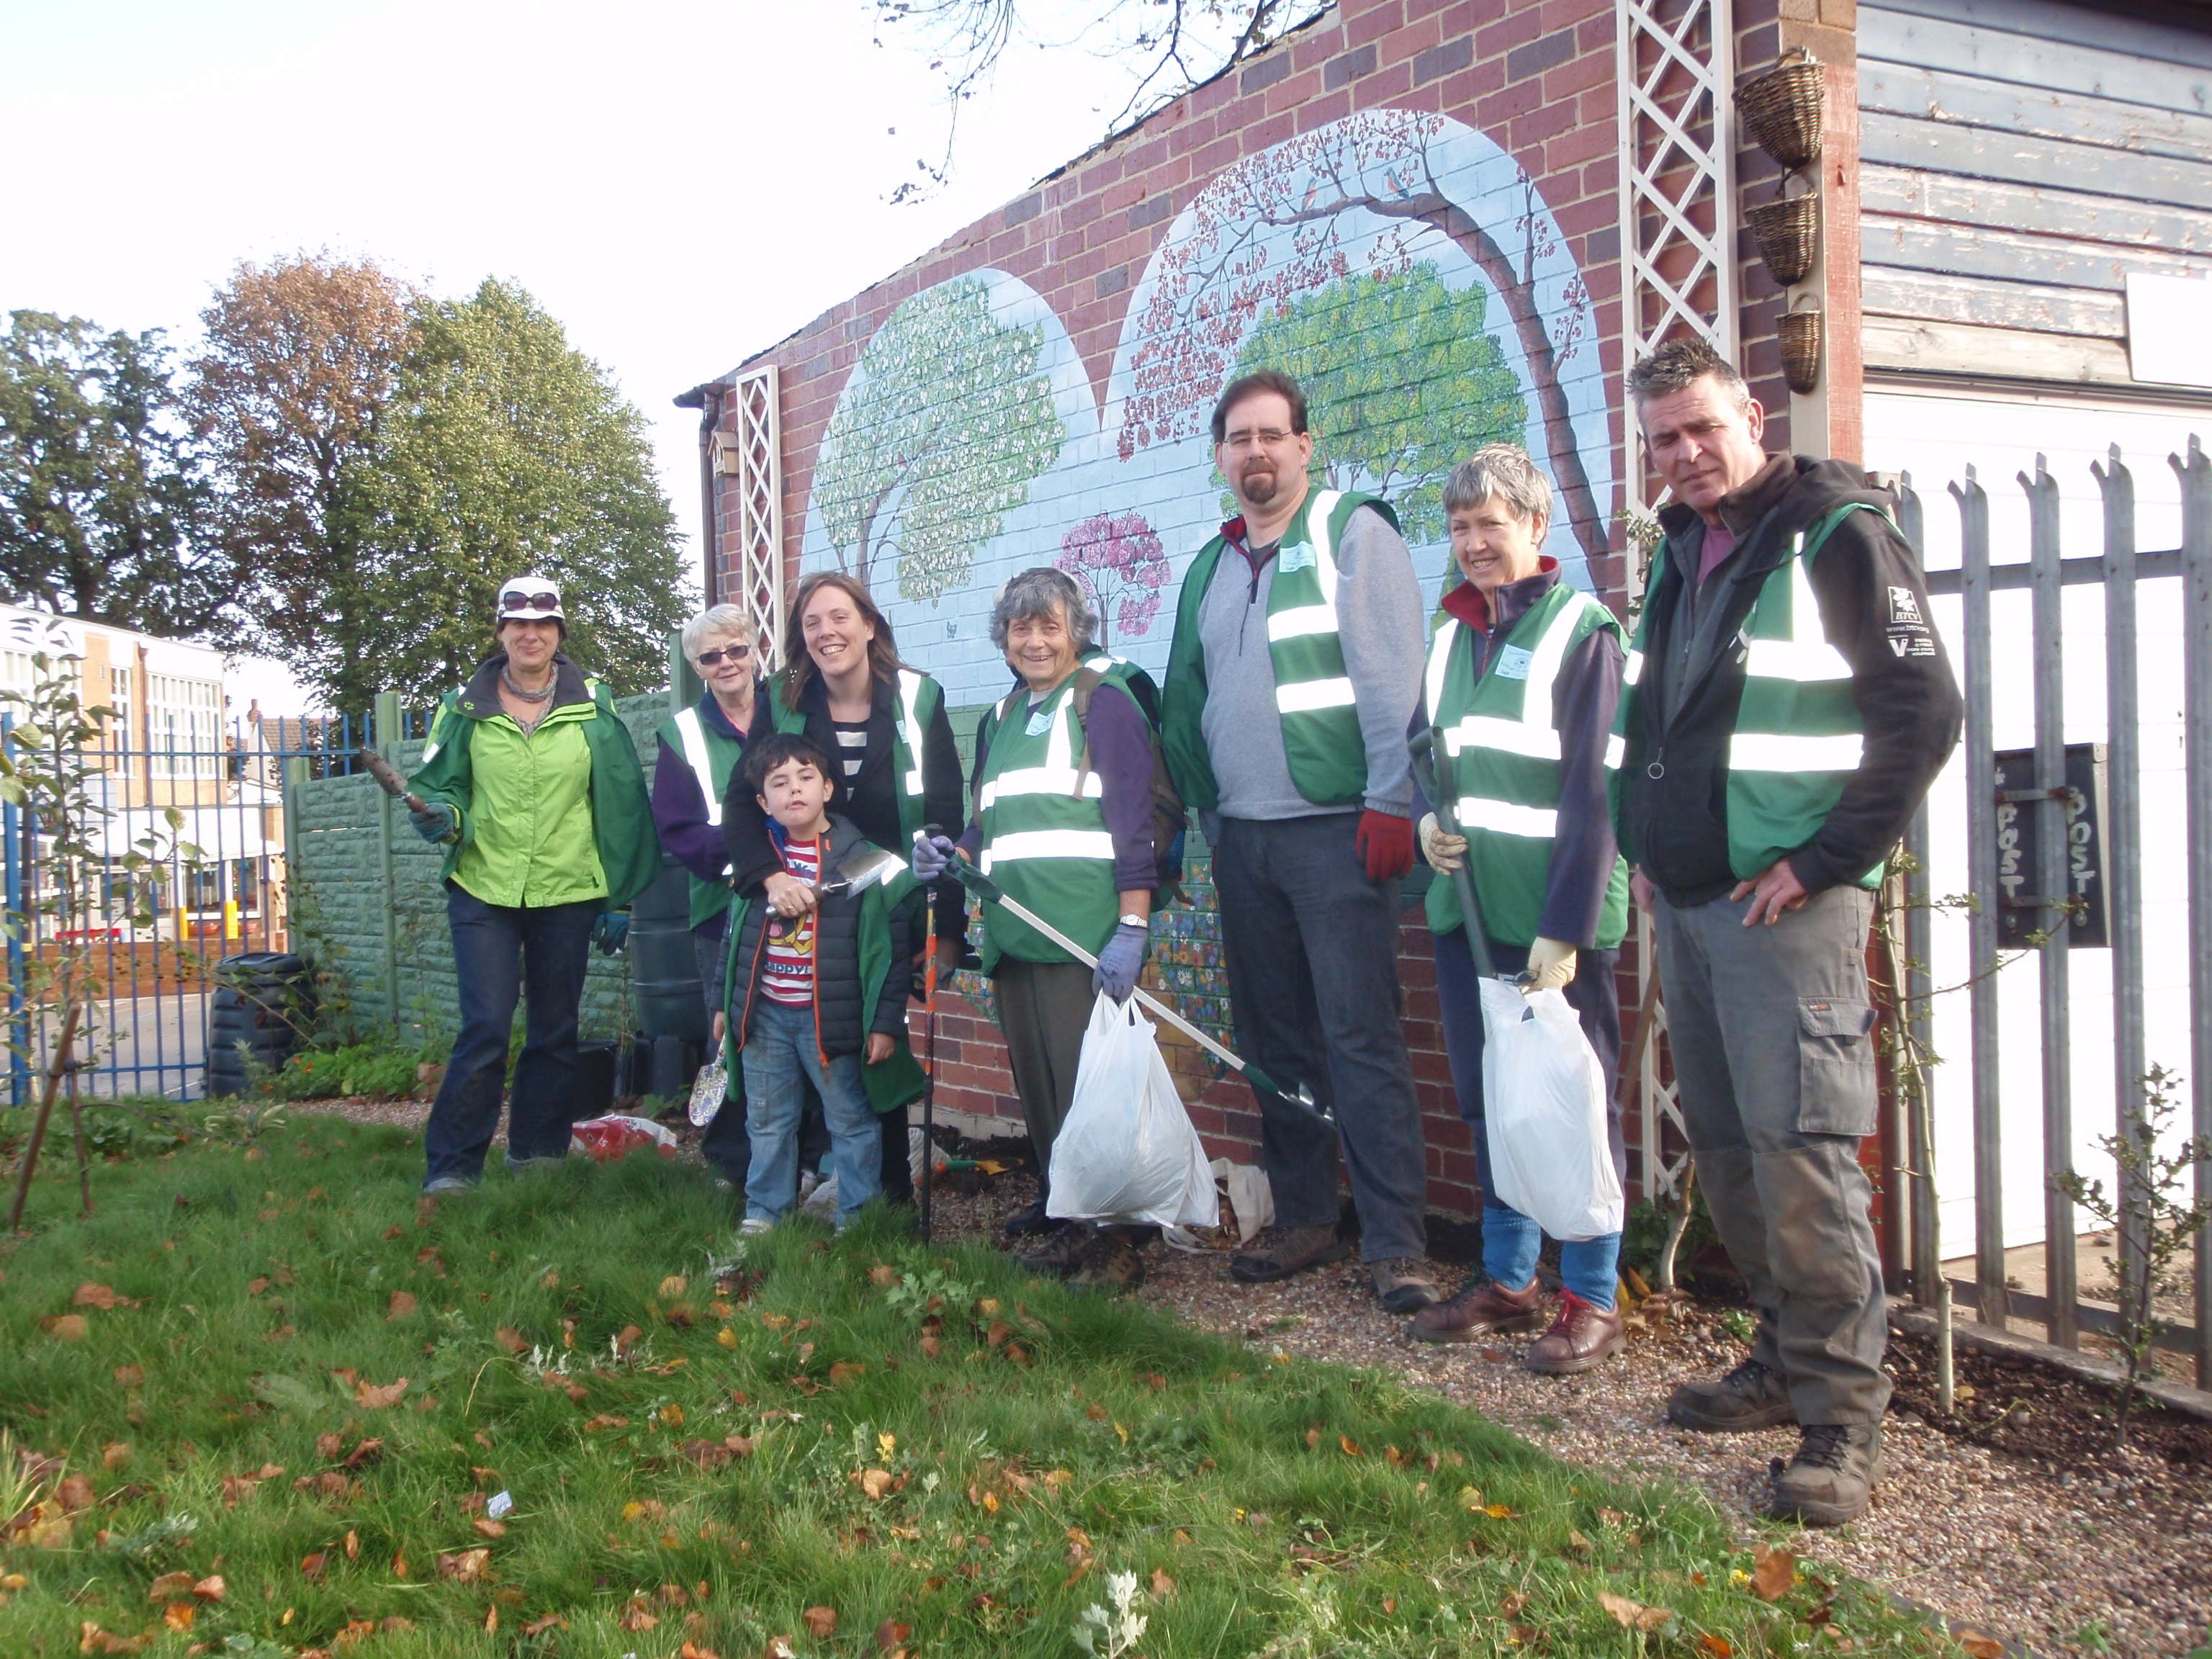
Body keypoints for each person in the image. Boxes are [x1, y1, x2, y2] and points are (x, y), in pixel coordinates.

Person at [1611, 338, 1961, 1525]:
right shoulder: (1680, 549)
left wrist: (1822, 858)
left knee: (1804, 1156)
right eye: (1664, 439)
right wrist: (1649, 847)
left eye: (1701, 428)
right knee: (1728, 1151)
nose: (1686, 453)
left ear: (1749, 414)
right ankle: (1778, 1361)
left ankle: (1841, 1423)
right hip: (1697, 901)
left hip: (1789, 908)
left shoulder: (1833, 533)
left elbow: (1922, 711)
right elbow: (1657, 713)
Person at [1158, 369, 1437, 1312]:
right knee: (1275, 1044)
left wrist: (1393, 800)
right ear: (1221, 456)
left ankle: (1398, 1241)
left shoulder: (1351, 532)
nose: (1257, 453)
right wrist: (1207, 814)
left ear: (1305, 447)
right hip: (1245, 840)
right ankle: (1309, 1217)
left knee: (1361, 1036)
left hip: (1337, 833)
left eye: (1273, 435)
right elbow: (1188, 696)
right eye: (1239, 438)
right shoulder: (1211, 563)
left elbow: (1395, 677)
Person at [1401, 447, 1632, 1372]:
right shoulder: (1454, 632)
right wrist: (1425, 824)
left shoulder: (1584, 631)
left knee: (1574, 1102)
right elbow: (1429, 750)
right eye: (1459, 528)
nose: (1473, 544)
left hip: (1551, 921)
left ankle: (1593, 1296)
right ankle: (1509, 1278)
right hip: (1468, 906)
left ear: (1536, 528)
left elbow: (1596, 793)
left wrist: (1566, 929)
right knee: (1492, 1097)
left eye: (1491, 525)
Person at [911, 567, 1164, 1290]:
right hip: (1016, 934)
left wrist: (1132, 927)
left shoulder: (1102, 704)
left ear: (1076, 631)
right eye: (1021, 627)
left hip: (1082, 937)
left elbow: (1132, 821)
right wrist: (956, 852)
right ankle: (1066, 1209)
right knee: (1043, 1087)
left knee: (1092, 1093)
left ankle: (1114, 1241)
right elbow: (991, 817)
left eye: (1049, 625)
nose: (1035, 640)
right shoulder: (1000, 717)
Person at [408, 576, 660, 1195]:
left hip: (568, 888)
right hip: (483, 886)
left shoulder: (593, 704)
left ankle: (538, 1156)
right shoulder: (462, 706)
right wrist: (445, 814)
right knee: (486, 1026)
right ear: (500, 632)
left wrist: (619, 897)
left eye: (542, 623)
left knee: (555, 1028)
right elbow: (443, 783)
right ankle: (453, 1168)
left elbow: (621, 800)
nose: (529, 633)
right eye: (517, 622)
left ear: (558, 633)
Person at [721, 572, 965, 1207]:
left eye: (839, 617)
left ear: (868, 624)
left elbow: (945, 815)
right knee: (794, 1051)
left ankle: (880, 1195)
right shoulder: (782, 698)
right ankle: (796, 1184)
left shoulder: (918, 696)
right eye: (811, 622)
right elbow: (741, 801)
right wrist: (768, 876)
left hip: (888, 903)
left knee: (873, 1046)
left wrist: (950, 931)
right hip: (801, 903)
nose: (826, 632)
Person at [722, 734, 911, 1232]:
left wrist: (887, 1021)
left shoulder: (861, 861)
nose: (795, 790)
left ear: (828, 788)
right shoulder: (758, 864)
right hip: (764, 1019)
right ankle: (765, 1214)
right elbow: (734, 939)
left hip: (830, 1020)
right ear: (763, 802)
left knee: (851, 1123)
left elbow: (889, 953)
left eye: (806, 777)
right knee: (767, 1122)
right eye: (779, 784)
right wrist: (724, 1005)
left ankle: (859, 1219)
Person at [652, 603, 764, 1187]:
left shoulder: (791, 712)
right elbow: (677, 829)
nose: (726, 664)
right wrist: (749, 853)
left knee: (803, 1025)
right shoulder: (683, 734)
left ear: (754, 649)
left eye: (735, 650)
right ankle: (730, 1161)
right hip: (722, 906)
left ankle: (806, 1154)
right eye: (711, 657)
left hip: (800, 897)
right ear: (697, 667)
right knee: (728, 1034)